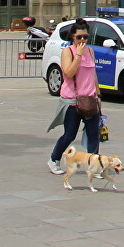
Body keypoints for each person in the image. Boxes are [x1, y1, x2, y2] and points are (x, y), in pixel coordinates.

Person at [46, 19, 102, 175]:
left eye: (85, 37)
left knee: (93, 134)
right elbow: (68, 73)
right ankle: (54, 159)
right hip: (72, 99)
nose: (82, 40)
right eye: (79, 37)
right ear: (73, 37)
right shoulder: (68, 52)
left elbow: (93, 75)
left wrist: (98, 95)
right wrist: (78, 56)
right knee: (70, 134)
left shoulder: (90, 51)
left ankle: (94, 166)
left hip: (90, 98)